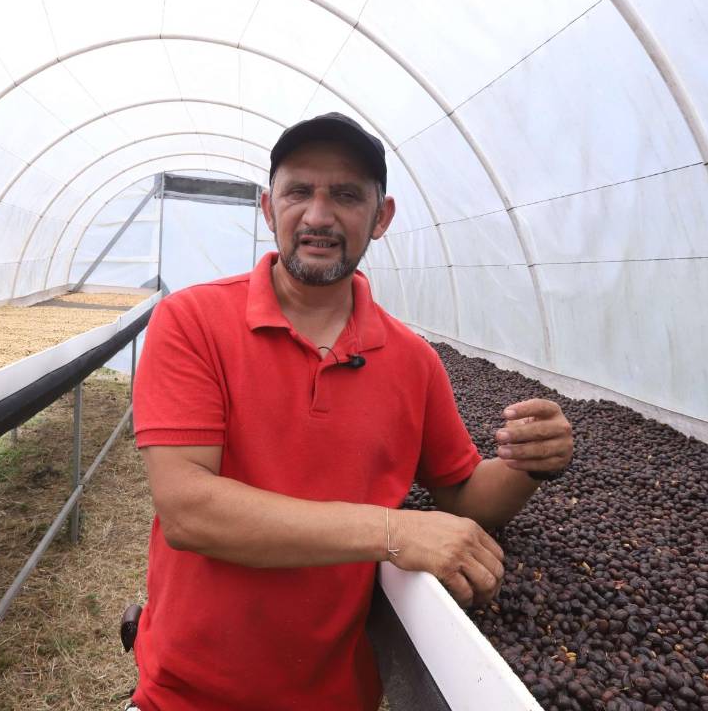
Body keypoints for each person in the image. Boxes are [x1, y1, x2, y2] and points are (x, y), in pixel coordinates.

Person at [129, 112, 574, 711]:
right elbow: (189, 510)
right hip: (188, 693)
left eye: (345, 195)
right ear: (268, 208)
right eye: (298, 192)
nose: (318, 215)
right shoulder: (192, 323)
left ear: (381, 217)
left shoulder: (413, 362)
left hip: (337, 695)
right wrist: (393, 532)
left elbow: (465, 495)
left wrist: (530, 465)